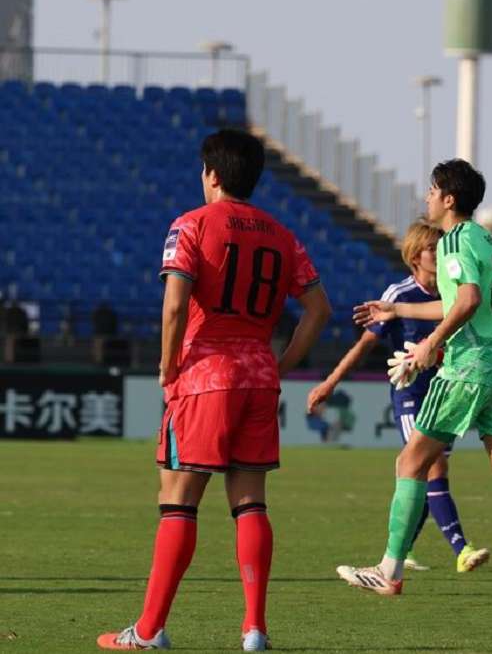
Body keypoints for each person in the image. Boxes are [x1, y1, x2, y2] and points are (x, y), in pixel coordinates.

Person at [97, 129, 331, 651]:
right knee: (250, 502)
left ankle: (150, 631)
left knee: (178, 500)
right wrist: (282, 363)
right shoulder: (282, 235)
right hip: (258, 376)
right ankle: (254, 629)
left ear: (212, 174)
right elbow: (319, 310)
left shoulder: (190, 226)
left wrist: (168, 364)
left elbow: (176, 306)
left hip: (205, 376)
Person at [338, 158, 492, 600]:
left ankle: (388, 570)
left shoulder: (453, 243)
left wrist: (429, 346)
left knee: (410, 462)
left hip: (470, 366)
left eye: (431, 189)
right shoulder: (484, 240)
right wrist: (398, 310)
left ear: (448, 198)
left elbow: (466, 300)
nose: (426, 196)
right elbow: (463, 301)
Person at [307, 221, 491, 574]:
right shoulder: (399, 294)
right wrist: (329, 383)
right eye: (431, 249)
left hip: (446, 395)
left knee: (420, 473)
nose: (438, 253)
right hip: (410, 395)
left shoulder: (454, 293)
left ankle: (399, 552)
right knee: (432, 465)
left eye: (441, 247)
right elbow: (365, 344)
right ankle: (461, 549)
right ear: (414, 256)